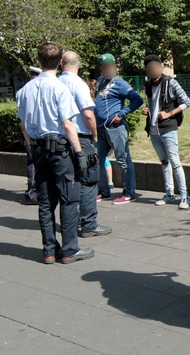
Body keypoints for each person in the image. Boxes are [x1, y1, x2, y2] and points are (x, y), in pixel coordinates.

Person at [16, 42, 94, 264]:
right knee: (69, 200)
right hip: (60, 150)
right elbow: (68, 125)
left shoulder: (24, 91)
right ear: (60, 62)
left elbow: (23, 126)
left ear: (39, 60)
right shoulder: (61, 88)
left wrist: (33, 146)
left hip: (39, 150)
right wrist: (79, 154)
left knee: (45, 202)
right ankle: (69, 250)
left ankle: (49, 250)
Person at [59, 51, 112, 238]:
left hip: (62, 138)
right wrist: (95, 135)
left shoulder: (57, 82)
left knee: (72, 180)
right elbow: (88, 114)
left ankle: (74, 221)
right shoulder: (77, 84)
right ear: (78, 64)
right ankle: (89, 223)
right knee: (89, 180)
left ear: (61, 64)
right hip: (82, 137)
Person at [141, 54, 190, 208]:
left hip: (168, 128)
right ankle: (169, 194)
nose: (152, 71)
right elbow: (153, 105)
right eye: (149, 69)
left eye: (155, 67)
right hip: (154, 130)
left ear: (161, 67)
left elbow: (187, 102)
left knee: (175, 162)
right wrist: (147, 110)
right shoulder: (149, 85)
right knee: (164, 162)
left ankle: (185, 196)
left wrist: (170, 114)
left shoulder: (171, 83)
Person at [93, 53, 143, 204]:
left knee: (123, 159)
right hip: (101, 128)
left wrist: (122, 114)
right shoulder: (100, 81)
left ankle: (129, 193)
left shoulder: (120, 83)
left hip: (115, 128)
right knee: (98, 159)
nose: (109, 68)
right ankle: (104, 191)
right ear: (101, 68)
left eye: (111, 65)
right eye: (105, 66)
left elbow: (137, 100)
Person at [16, 66, 42, 205]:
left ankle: (35, 191)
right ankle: (32, 193)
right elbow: (23, 122)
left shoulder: (23, 92)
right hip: (32, 134)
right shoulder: (27, 92)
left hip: (31, 133)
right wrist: (29, 141)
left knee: (34, 162)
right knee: (33, 162)